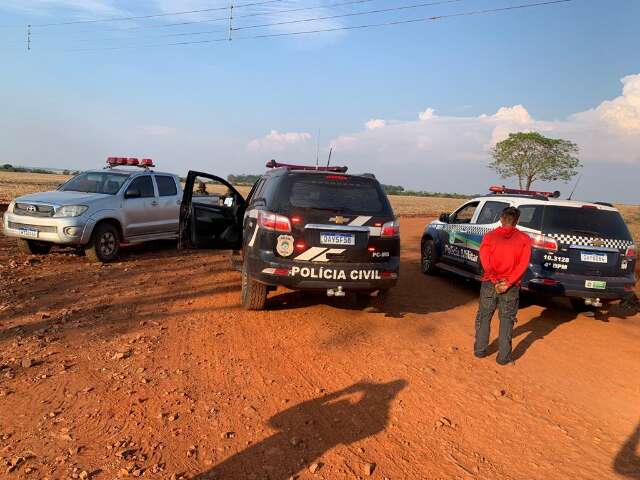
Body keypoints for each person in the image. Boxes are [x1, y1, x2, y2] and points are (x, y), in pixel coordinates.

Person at [474, 206, 532, 365]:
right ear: (517, 220)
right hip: (511, 287)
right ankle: (503, 358)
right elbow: (523, 264)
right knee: (507, 320)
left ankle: (480, 350)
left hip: (489, 283)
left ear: (501, 218)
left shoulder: (489, 237)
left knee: (484, 316)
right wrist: (508, 283)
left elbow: (485, 261)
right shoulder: (525, 239)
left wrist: (494, 279)